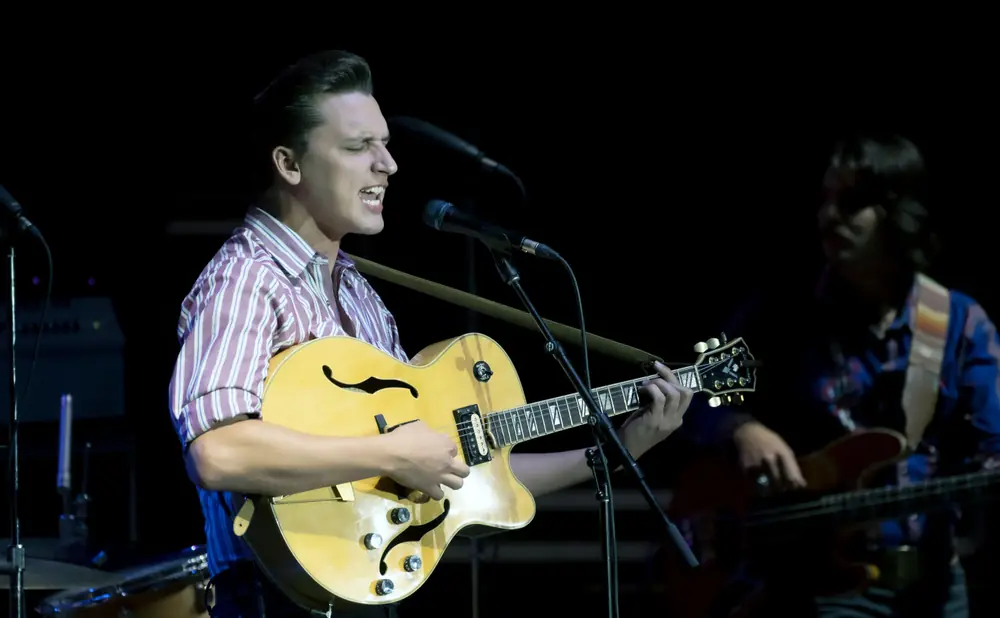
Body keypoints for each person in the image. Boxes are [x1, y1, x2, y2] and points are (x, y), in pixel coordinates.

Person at [167, 50, 693, 618]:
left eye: (384, 144)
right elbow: (217, 452)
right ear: (289, 165)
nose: (387, 165)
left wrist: (616, 450)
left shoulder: (358, 295)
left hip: (364, 589)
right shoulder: (243, 282)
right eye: (357, 147)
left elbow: (462, 473)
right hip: (271, 598)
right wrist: (390, 450)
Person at [678, 133, 1000, 617]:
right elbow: (689, 395)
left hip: (932, 584)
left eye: (851, 202)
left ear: (900, 212)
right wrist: (740, 429)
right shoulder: (778, 316)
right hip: (812, 584)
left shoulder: (961, 324)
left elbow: (992, 450)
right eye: (825, 199)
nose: (830, 217)